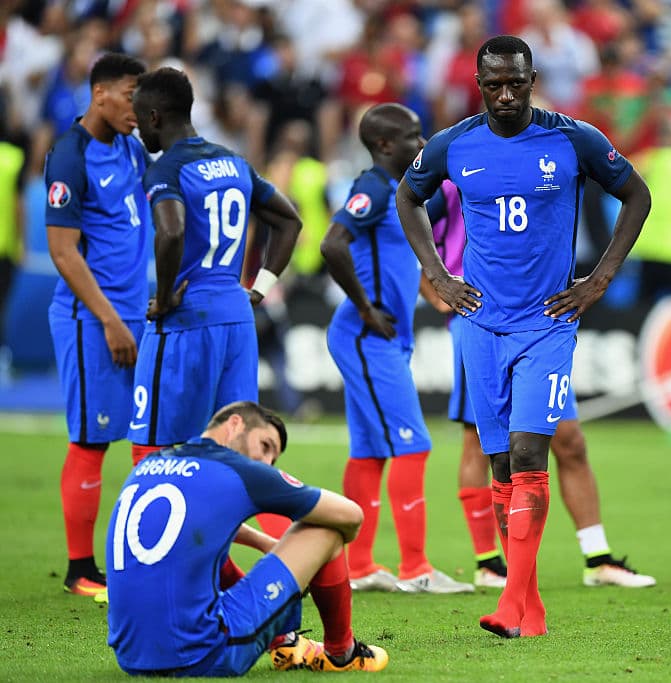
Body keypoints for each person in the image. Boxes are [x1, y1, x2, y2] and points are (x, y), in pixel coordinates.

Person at [397, 35, 651, 638]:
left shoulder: (572, 138)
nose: (505, 94)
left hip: (548, 323)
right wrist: (436, 275)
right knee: (500, 463)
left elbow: (636, 194)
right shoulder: (455, 144)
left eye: (516, 82)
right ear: (479, 84)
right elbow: (408, 197)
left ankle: (511, 604)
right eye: (493, 85)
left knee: (533, 452)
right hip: (480, 323)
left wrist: (601, 278)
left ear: (533, 78)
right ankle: (528, 605)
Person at [425, 178, 655, 589]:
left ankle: (598, 558)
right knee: (479, 443)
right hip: (480, 323)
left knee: (569, 440)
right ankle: (488, 560)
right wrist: (438, 289)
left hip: (537, 323)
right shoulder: (455, 175)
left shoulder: (543, 170)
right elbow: (408, 224)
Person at [105, 401, 388, 676]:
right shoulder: (241, 471)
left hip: (131, 657)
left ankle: (283, 642)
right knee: (326, 529)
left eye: (272, 458)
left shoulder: (152, 463)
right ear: (235, 423)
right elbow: (351, 515)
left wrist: (265, 543)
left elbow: (193, 524)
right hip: (205, 654)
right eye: (265, 446)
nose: (265, 462)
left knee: (204, 548)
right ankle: (341, 654)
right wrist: (314, 559)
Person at [321, 103, 473, 595]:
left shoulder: (399, 192)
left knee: (369, 451)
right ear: (385, 145)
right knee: (413, 445)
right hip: (367, 336)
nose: (421, 141)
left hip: (382, 336)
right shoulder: (371, 187)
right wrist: (365, 308)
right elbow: (332, 244)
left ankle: (359, 565)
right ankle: (416, 568)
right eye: (412, 135)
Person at [126, 66, 301, 463]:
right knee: (235, 450)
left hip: (187, 317)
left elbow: (170, 231)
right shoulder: (234, 162)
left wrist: (167, 296)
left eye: (139, 121)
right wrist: (261, 286)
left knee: (154, 445)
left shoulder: (166, 169)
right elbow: (289, 220)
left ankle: (155, 524)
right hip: (237, 316)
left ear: (154, 117)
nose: (139, 131)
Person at [44, 53, 150, 601]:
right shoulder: (69, 156)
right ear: (101, 92)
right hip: (92, 320)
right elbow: (63, 252)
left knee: (144, 438)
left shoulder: (131, 147)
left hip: (133, 316)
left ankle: (141, 556)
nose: (140, 106)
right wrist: (110, 320)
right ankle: (80, 568)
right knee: (91, 440)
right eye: (133, 94)